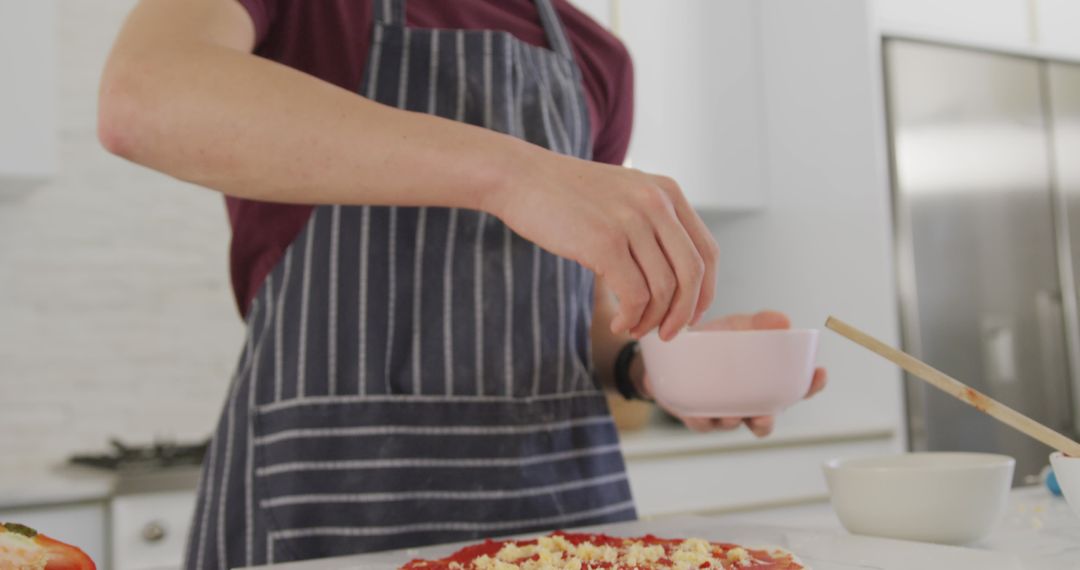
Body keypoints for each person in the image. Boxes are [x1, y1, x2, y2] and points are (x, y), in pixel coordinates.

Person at [98, 0, 827, 567]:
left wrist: (654, 365)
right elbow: (141, 97)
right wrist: (513, 174)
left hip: (562, 508)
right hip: (332, 509)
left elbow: (580, 311)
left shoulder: (597, 56)